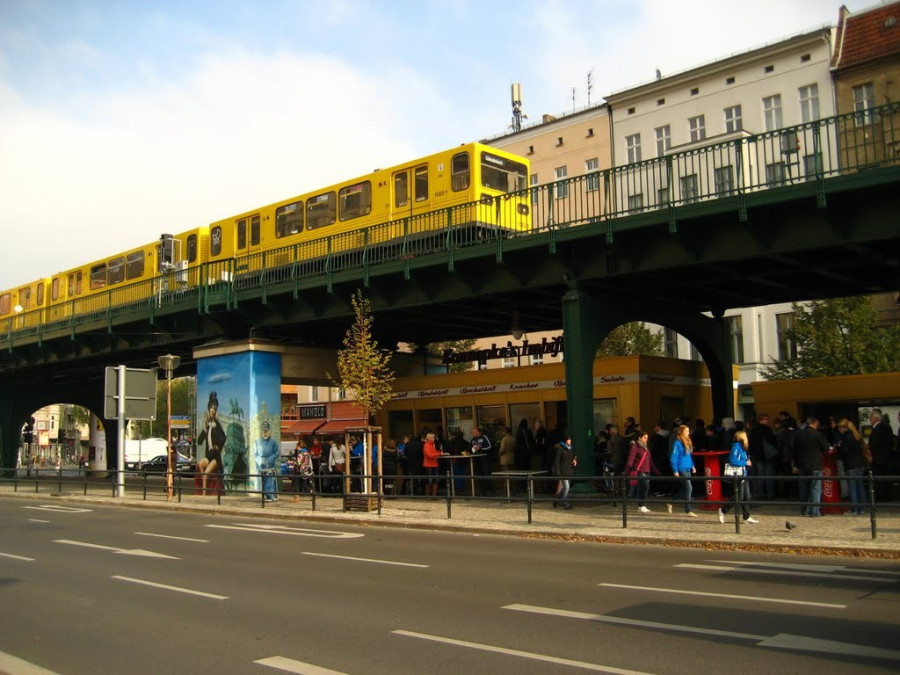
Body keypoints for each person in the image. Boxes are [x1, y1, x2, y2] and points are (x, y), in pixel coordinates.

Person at [718, 430, 759, 524]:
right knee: (739, 496)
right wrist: (745, 463)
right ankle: (723, 510)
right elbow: (733, 461)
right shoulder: (736, 448)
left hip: (744, 474)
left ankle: (746, 516)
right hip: (739, 475)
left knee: (747, 496)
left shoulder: (742, 448)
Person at [792, 416, 829, 517]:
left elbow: (794, 451)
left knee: (803, 488)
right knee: (816, 488)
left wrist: (795, 465)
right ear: (815, 423)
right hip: (815, 464)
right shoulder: (818, 434)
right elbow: (826, 448)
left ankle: (804, 511)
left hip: (802, 465)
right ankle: (814, 511)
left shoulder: (798, 434)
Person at [196, 391, 226, 495]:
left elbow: (223, 437)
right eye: (211, 408)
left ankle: (204, 495)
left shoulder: (216, 424)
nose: (212, 410)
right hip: (208, 456)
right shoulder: (208, 425)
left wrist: (218, 446)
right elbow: (199, 441)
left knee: (205, 474)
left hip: (215, 458)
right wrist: (205, 429)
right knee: (200, 464)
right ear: (209, 409)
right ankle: (205, 487)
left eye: (214, 408)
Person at [835, 418, 866, 515]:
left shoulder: (846, 436)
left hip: (851, 464)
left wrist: (838, 449)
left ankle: (854, 509)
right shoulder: (856, 435)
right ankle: (861, 508)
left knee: (852, 486)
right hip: (860, 463)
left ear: (842, 428)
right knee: (860, 485)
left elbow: (844, 451)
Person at [623, 430, 660, 513]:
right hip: (639, 470)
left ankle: (641, 505)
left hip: (647, 470)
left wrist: (657, 472)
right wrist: (626, 471)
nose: (646, 439)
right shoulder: (635, 447)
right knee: (645, 487)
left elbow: (650, 461)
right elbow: (631, 460)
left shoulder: (646, 448)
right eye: (644, 438)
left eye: (647, 438)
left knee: (643, 488)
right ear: (639, 438)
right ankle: (641, 505)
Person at [667, 424, 698, 517]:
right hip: (681, 468)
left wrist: (692, 466)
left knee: (684, 488)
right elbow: (673, 457)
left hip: (687, 466)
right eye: (686, 431)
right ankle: (688, 510)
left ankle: (671, 501)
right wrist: (675, 470)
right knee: (689, 487)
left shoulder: (687, 441)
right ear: (682, 432)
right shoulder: (677, 443)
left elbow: (688, 455)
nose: (688, 433)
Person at [868, 408, 894, 502]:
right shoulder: (887, 427)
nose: (870, 420)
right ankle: (887, 496)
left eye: (870, 417)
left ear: (874, 418)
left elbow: (875, 444)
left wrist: (869, 450)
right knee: (885, 479)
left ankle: (880, 497)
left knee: (878, 480)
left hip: (878, 459)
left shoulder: (877, 429)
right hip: (887, 458)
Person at [253, 420, 280, 501]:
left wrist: (270, 459)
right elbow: (255, 453)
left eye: (267, 430)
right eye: (264, 431)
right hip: (261, 465)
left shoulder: (273, 442)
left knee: (270, 479)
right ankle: (267, 495)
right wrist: (260, 461)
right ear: (261, 431)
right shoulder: (257, 442)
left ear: (269, 431)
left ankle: (272, 496)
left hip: (270, 464)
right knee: (263, 480)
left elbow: (277, 452)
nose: (265, 432)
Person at [552, 438, 576, 510]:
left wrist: (574, 460)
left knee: (566, 488)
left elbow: (572, 457)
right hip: (563, 471)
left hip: (569, 470)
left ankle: (556, 498)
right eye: (569, 440)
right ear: (565, 441)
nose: (570, 441)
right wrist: (558, 472)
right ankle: (565, 503)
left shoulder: (570, 449)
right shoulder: (560, 449)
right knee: (566, 487)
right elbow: (556, 461)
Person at [471, 426, 494, 496]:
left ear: (478, 432)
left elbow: (489, 447)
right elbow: (470, 447)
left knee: (486, 474)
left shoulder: (484, 438)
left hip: (484, 459)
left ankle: (490, 490)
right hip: (477, 459)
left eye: (474, 432)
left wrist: (481, 448)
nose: (473, 433)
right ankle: (482, 491)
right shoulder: (473, 439)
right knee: (479, 475)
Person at [422, 432, 444, 498]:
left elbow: (433, 453)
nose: (434, 438)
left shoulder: (432, 445)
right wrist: (439, 454)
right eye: (433, 437)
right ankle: (428, 495)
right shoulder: (426, 445)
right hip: (428, 465)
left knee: (435, 480)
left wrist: (439, 452)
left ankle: (434, 495)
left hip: (434, 464)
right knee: (429, 480)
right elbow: (430, 455)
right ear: (429, 438)